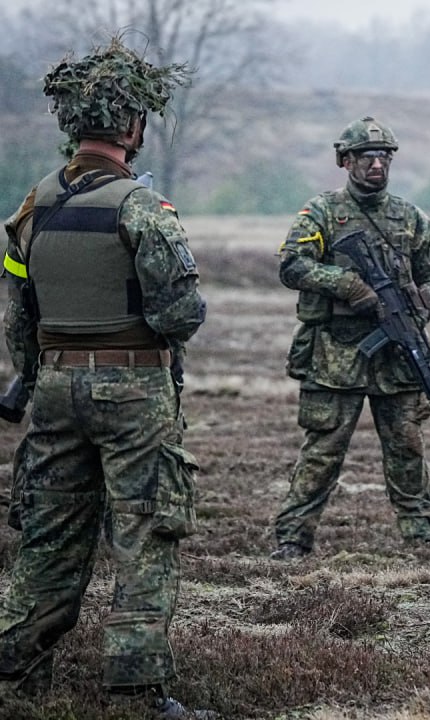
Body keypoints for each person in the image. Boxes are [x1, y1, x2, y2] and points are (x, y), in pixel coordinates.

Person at [0, 37, 209, 717]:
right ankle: (138, 689)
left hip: (54, 388)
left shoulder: (31, 208)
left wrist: (32, 383)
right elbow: (178, 314)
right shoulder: (144, 209)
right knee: (145, 532)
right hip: (133, 390)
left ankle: (16, 670)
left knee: (49, 535)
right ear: (132, 126)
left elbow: (17, 319)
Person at [270, 116, 430, 561]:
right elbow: (292, 265)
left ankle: (421, 537)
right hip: (335, 350)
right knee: (324, 450)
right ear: (346, 161)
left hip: (396, 353)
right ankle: (293, 538)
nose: (377, 165)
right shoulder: (322, 212)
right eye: (367, 157)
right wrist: (349, 286)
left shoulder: (410, 217)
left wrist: (418, 308)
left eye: (384, 157)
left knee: (407, 447)